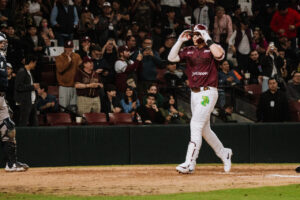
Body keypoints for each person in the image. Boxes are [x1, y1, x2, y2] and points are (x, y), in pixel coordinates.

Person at [168, 24, 232, 173]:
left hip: (208, 92)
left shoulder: (212, 47)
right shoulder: (189, 50)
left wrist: (206, 36)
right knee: (205, 130)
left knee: (195, 124)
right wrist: (179, 41)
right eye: (194, 34)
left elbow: (220, 55)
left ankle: (189, 163)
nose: (196, 37)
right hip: (194, 94)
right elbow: (171, 58)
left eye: (199, 34)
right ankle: (224, 153)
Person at [0, 32, 29, 172]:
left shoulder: (3, 58)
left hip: (1, 97)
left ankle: (11, 164)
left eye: (4, 43)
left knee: (8, 129)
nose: (3, 45)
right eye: (1, 43)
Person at [55, 40, 82, 112]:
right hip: (64, 86)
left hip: (74, 85)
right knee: (63, 108)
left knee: (73, 108)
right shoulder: (59, 57)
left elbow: (81, 68)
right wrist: (68, 62)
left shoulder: (77, 56)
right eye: (67, 47)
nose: (69, 49)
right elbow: (60, 69)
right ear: (64, 48)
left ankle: (73, 123)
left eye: (70, 47)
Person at [15, 54, 39, 126]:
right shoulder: (22, 71)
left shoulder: (29, 72)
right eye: (35, 63)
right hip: (25, 103)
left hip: (31, 102)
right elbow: (18, 87)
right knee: (23, 123)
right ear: (31, 62)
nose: (35, 65)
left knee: (34, 124)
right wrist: (32, 87)